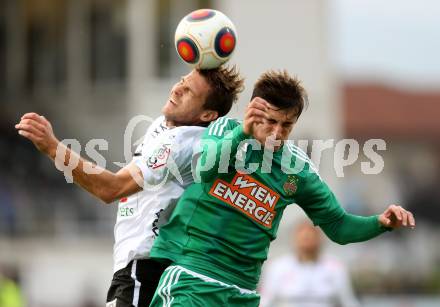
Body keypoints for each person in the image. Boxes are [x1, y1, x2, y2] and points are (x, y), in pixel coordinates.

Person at [148, 70, 416, 307]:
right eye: (271, 121)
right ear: (254, 111)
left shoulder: (297, 169)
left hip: (242, 292)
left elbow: (339, 226)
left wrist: (381, 223)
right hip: (194, 277)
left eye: (286, 125)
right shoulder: (224, 130)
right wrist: (243, 133)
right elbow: (205, 170)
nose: (277, 132)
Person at [14, 66, 244, 307]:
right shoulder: (164, 126)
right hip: (137, 266)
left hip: (147, 267)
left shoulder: (183, 143)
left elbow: (111, 189)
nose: (177, 89)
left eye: (188, 92)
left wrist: (53, 148)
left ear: (207, 115)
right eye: (181, 82)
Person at [259, 221, 360, 307]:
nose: (307, 241)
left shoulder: (335, 267)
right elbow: (265, 301)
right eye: (303, 238)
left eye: (311, 238)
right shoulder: (278, 266)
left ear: (320, 240)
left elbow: (348, 301)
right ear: (295, 240)